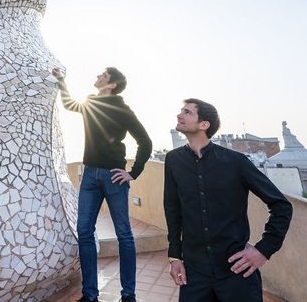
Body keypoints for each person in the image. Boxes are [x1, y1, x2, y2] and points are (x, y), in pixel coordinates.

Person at [164, 98, 292, 302]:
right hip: (194, 273)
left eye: (187, 112)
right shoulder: (173, 160)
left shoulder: (236, 162)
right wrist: (174, 257)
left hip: (236, 269)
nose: (180, 115)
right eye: (181, 111)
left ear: (204, 124)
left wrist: (263, 250)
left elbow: (281, 206)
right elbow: (172, 210)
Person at [53, 67, 152, 302]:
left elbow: (145, 142)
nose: (97, 76)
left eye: (103, 75)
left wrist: (133, 173)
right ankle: (90, 296)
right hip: (89, 175)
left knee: (124, 235)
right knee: (85, 232)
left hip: (113, 176)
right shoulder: (90, 102)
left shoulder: (123, 109)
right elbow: (70, 105)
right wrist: (62, 82)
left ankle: (128, 295)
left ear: (112, 84)